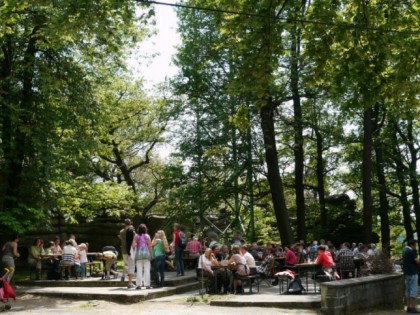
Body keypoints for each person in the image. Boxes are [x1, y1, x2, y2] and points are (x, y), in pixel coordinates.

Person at [132, 223, 152, 289]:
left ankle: (139, 285)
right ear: (145, 229)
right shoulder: (147, 236)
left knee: (139, 270)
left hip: (138, 255)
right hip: (146, 254)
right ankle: (147, 285)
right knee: (147, 270)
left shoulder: (136, 236)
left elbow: (133, 245)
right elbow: (149, 246)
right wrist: (151, 255)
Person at [403, 239, 420, 313]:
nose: (416, 247)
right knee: (413, 290)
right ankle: (413, 307)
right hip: (413, 273)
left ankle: (408, 307)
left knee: (407, 291)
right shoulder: (411, 251)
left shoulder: (404, 251)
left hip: (407, 274)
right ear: (412, 245)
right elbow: (417, 262)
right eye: (415, 245)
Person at [119, 218, 136, 288]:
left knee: (126, 264)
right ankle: (130, 283)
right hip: (130, 251)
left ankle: (123, 274)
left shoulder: (121, 231)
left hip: (123, 250)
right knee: (131, 266)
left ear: (124, 224)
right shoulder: (133, 232)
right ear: (130, 223)